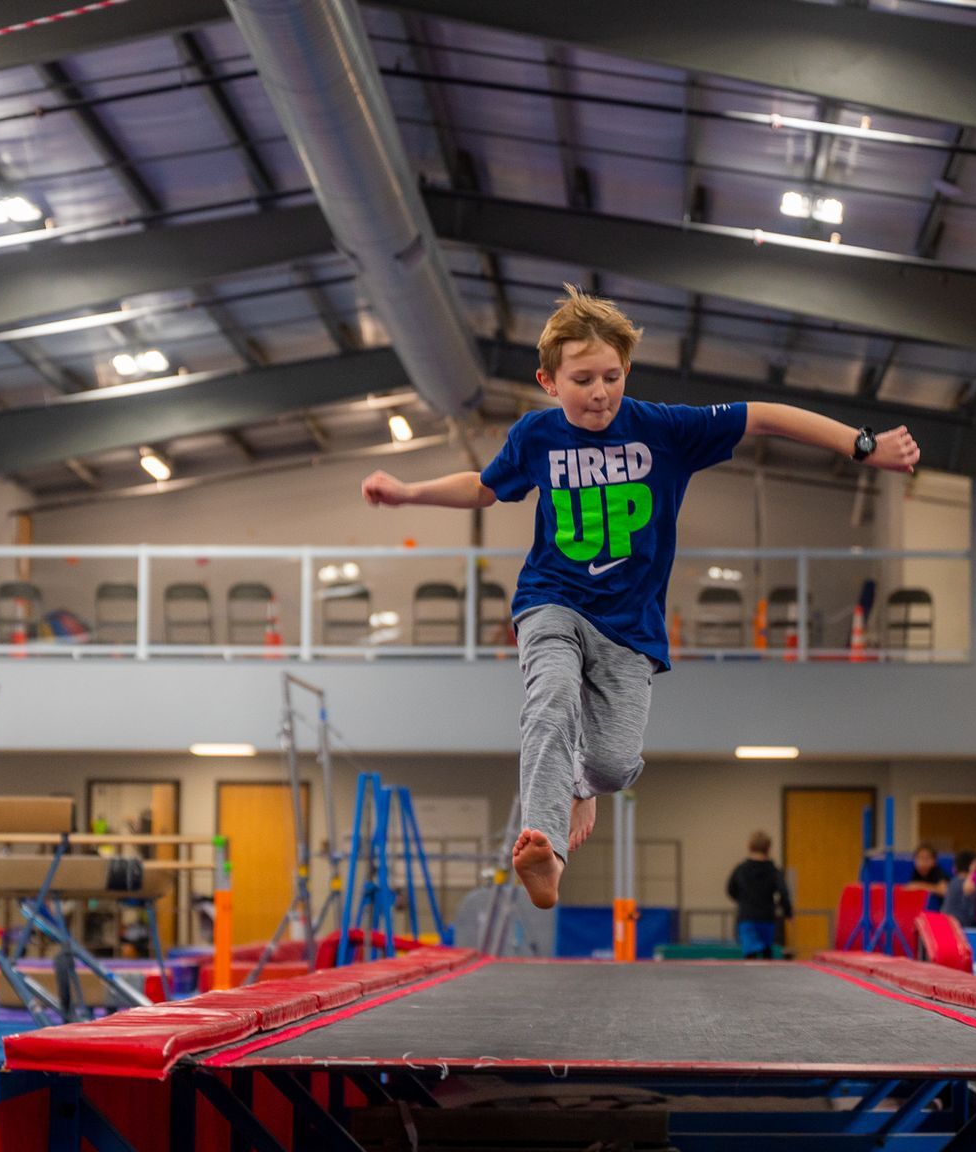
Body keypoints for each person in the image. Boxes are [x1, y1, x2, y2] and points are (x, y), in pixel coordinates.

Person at [361, 286, 920, 908]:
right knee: (548, 702)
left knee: (614, 764)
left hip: (630, 626)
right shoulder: (536, 436)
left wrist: (860, 445)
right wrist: (408, 493)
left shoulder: (664, 429)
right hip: (550, 601)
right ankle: (546, 849)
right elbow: (484, 487)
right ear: (548, 381)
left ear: (627, 371)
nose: (599, 392)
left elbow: (762, 414)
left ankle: (582, 781)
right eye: (582, 379)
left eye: (612, 376)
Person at [726, 831, 792, 959]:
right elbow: (783, 892)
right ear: (768, 848)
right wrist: (787, 912)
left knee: (750, 952)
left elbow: (730, 889)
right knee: (767, 951)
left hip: (747, 916)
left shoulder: (741, 869)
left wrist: (742, 901)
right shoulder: (773, 870)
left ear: (749, 847)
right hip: (766, 917)